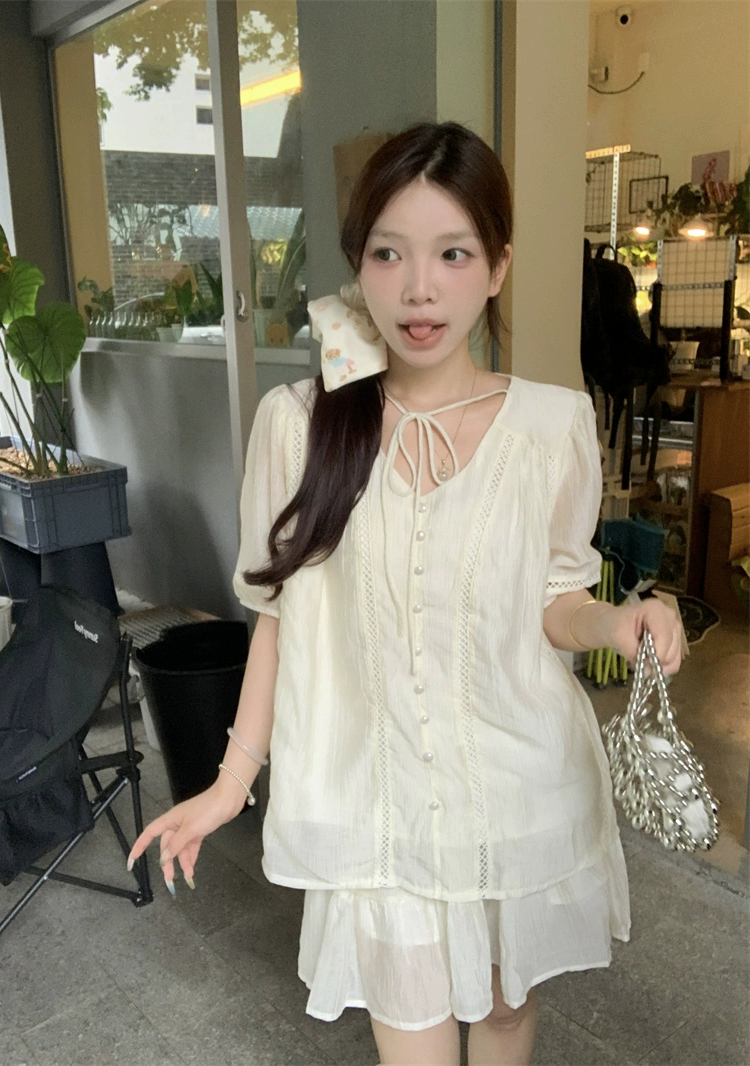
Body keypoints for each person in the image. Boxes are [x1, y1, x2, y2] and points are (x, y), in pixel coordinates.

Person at [128, 122, 683, 1066]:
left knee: (503, 1014)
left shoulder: (551, 425)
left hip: (520, 790)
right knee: (413, 1034)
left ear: (497, 266)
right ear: (359, 265)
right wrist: (228, 785)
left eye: (453, 254)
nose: (420, 289)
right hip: (376, 805)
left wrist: (621, 620)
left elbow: (555, 601)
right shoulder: (299, 426)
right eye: (390, 254)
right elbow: (278, 619)